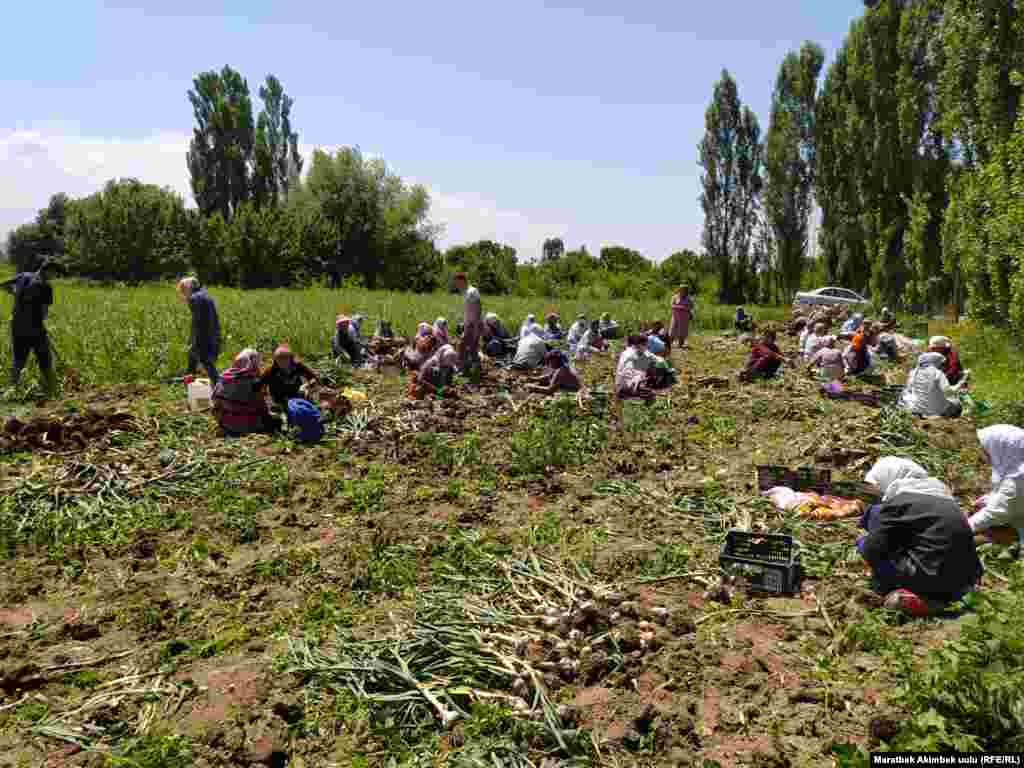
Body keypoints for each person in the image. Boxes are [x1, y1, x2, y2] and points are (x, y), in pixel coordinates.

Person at [857, 457, 981, 616]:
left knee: (868, 538)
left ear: (887, 478)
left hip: (931, 578)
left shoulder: (898, 502)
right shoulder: (943, 496)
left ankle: (902, 593)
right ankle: (943, 598)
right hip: (965, 580)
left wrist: (862, 541)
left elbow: (872, 550)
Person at [4, 257, 55, 389]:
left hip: (16, 325)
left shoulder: (23, 276)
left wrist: (16, 293)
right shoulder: (46, 286)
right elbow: (44, 313)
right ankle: (52, 388)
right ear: (47, 271)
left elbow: (3, 284)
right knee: (45, 358)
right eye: (54, 273)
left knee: (18, 360)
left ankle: (12, 389)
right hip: (34, 328)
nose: (54, 276)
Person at [969, 425, 1024, 548]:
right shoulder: (1016, 466)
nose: (987, 457)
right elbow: (1010, 498)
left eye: (988, 452)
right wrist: (990, 498)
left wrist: (962, 527)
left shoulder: (1020, 475)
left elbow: (998, 513)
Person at [212, 349, 282, 436]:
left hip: (227, 424)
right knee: (277, 420)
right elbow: (262, 406)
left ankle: (227, 429)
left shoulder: (224, 377)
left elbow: (215, 404)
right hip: (250, 425)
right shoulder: (254, 381)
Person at [178, 276, 221, 385]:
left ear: (189, 288)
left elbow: (197, 322)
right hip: (213, 331)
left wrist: (194, 339)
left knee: (205, 360)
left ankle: (218, 385)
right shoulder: (205, 295)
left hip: (203, 334)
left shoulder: (194, 298)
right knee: (192, 356)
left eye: (183, 290)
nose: (183, 294)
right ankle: (190, 379)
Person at [899, 353, 961, 418]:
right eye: (941, 364)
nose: (943, 367)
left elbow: (909, 389)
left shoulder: (913, 372)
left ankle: (918, 413)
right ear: (936, 362)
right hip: (936, 410)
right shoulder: (937, 373)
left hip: (916, 409)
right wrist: (959, 384)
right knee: (956, 403)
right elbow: (948, 392)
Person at [261, 344, 318, 411]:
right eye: (279, 359)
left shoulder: (298, 366)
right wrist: (267, 399)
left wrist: (306, 386)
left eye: (285, 358)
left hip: (298, 396)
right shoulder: (271, 371)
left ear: (291, 358)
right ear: (275, 359)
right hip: (280, 401)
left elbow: (314, 378)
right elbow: (260, 385)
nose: (282, 362)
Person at [615, 334, 658, 401]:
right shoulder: (634, 354)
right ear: (640, 345)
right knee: (652, 394)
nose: (647, 348)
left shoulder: (627, 352)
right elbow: (628, 376)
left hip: (621, 385)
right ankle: (630, 395)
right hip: (626, 387)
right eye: (646, 346)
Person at [667, 285, 693, 355]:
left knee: (683, 331)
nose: (683, 291)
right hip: (675, 316)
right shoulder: (675, 297)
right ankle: (669, 344)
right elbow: (672, 305)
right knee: (672, 330)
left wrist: (683, 308)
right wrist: (680, 307)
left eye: (685, 290)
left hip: (684, 317)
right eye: (682, 290)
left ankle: (680, 345)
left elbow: (690, 307)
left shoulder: (689, 299)